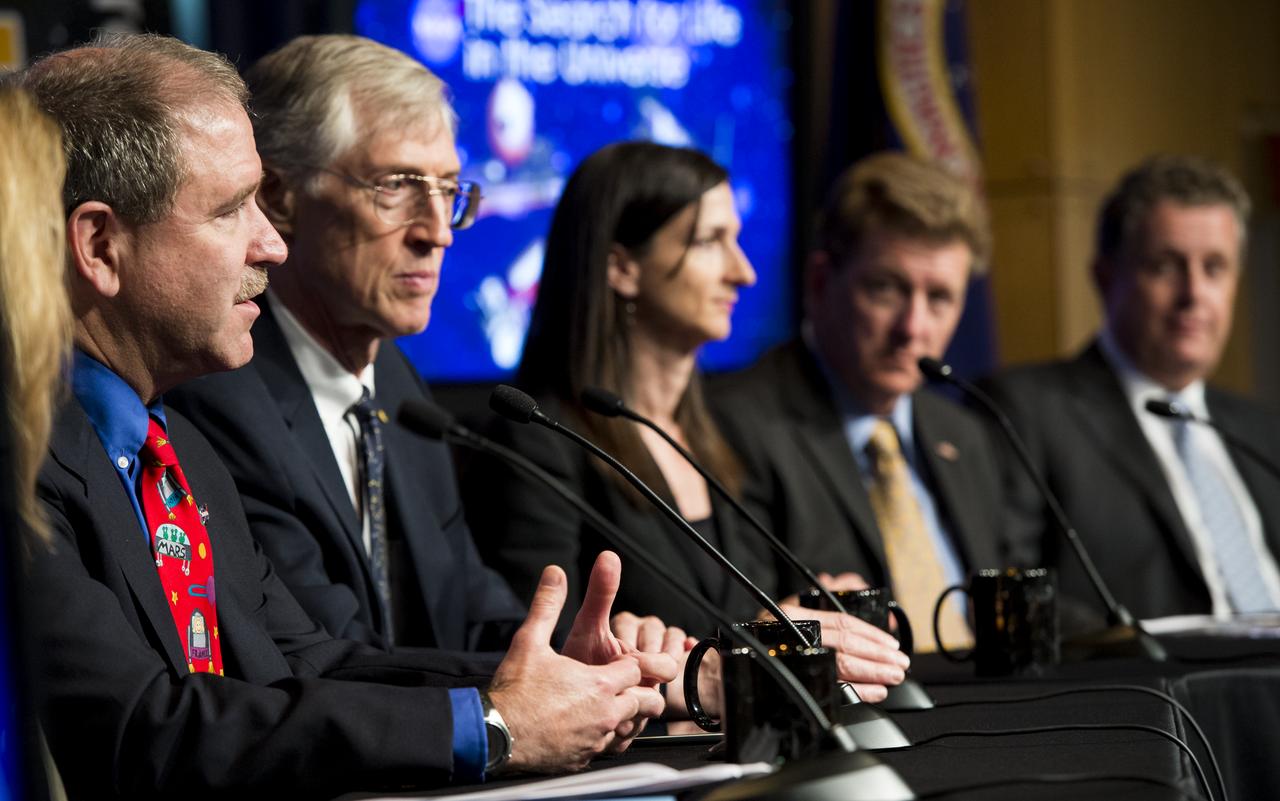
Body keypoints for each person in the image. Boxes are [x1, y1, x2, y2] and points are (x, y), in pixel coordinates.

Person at [21, 33, 671, 800]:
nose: (271, 242)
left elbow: (313, 662)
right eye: (233, 209)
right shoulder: (22, 457)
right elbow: (143, 729)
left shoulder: (178, 447)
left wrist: (568, 684)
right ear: (100, 244)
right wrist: (492, 726)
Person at [464, 141, 909, 702]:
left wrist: (805, 611)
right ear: (622, 267)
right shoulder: (540, 441)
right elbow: (540, 662)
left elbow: (733, 616)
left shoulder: (722, 432)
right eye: (709, 242)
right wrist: (761, 647)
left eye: (737, 240)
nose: (743, 273)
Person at [166, 34, 530, 652]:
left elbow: (469, 610)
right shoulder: (220, 399)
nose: (437, 233)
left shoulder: (396, 385)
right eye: (396, 185)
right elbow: (333, 660)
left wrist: (594, 661)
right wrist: (518, 699)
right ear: (280, 198)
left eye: (447, 190)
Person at [712, 152, 1004, 652]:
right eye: (887, 289)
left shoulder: (965, 434)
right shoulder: (733, 421)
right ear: (821, 281)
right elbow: (732, 622)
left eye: (939, 299)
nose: (914, 329)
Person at [981, 155, 1280, 624]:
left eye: (1215, 268)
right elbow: (1008, 592)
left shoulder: (1261, 432)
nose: (1194, 294)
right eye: (1166, 266)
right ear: (1104, 277)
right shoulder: (1026, 411)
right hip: (1155, 688)